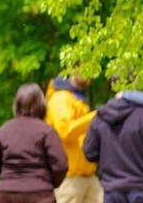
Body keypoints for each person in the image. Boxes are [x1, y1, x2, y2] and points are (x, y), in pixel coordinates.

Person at [83, 80, 143, 203]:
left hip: (112, 190)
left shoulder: (101, 117)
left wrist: (109, 159)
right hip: (142, 190)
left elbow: (89, 152)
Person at [0, 83, 70, 203]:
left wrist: (9, 180)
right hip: (40, 194)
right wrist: (49, 182)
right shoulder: (46, 131)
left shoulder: (5, 129)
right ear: (42, 104)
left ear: (16, 104)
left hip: (6, 195)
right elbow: (61, 164)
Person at [47, 74, 102, 203]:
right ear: (73, 69)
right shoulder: (61, 97)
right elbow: (65, 131)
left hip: (88, 175)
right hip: (69, 179)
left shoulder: (76, 98)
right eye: (86, 69)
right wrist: (95, 117)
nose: (91, 74)